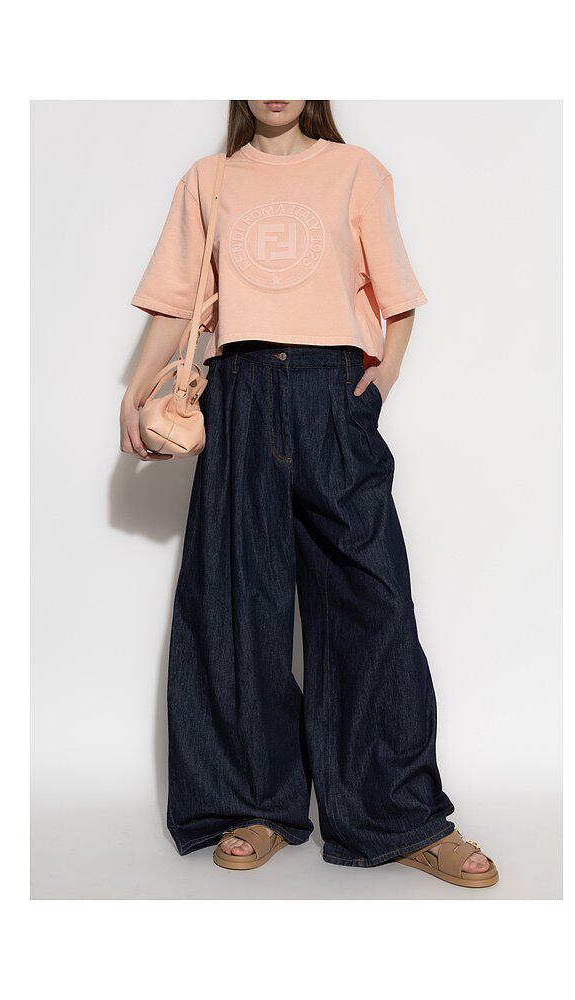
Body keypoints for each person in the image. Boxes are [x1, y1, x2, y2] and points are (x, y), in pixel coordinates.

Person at [121, 100, 497, 888]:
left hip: (333, 392)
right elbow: (176, 301)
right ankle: (253, 804)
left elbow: (398, 298)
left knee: (372, 600)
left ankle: (397, 816)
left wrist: (380, 383)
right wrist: (134, 391)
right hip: (239, 392)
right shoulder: (210, 179)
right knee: (237, 604)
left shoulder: (355, 170)